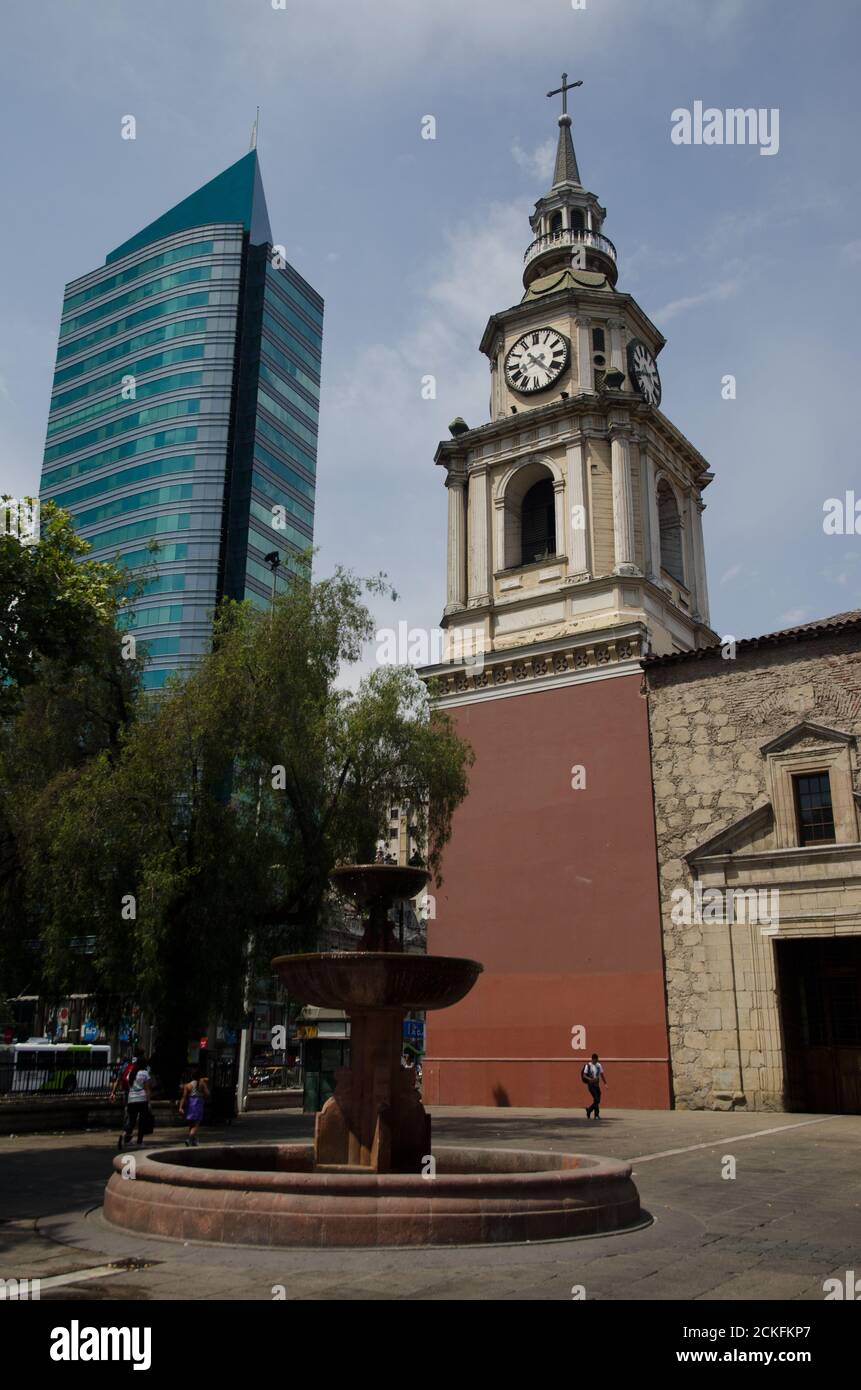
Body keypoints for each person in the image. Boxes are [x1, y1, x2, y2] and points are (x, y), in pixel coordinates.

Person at [118, 1054, 153, 1149]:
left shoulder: (131, 1073)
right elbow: (147, 1089)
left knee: (131, 1121)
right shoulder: (145, 1073)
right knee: (142, 1121)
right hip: (142, 1099)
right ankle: (139, 1142)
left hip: (131, 1099)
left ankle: (124, 1135)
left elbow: (128, 1085)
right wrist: (149, 1102)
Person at [179, 1071, 209, 1146]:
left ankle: (194, 1141)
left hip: (190, 1104)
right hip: (198, 1104)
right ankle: (189, 1139)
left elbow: (184, 1097)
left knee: (191, 1125)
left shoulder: (188, 1085)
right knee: (196, 1125)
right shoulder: (202, 1084)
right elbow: (208, 1094)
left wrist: (181, 1107)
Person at [581, 1053, 606, 1120]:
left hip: (597, 1085)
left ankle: (589, 1110)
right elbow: (584, 1075)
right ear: (593, 1059)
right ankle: (596, 1115)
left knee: (597, 1100)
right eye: (595, 1060)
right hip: (591, 1085)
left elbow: (602, 1074)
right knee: (596, 1099)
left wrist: (605, 1083)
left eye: (597, 1060)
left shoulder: (599, 1065)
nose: (596, 1061)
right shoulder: (588, 1065)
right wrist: (591, 1079)